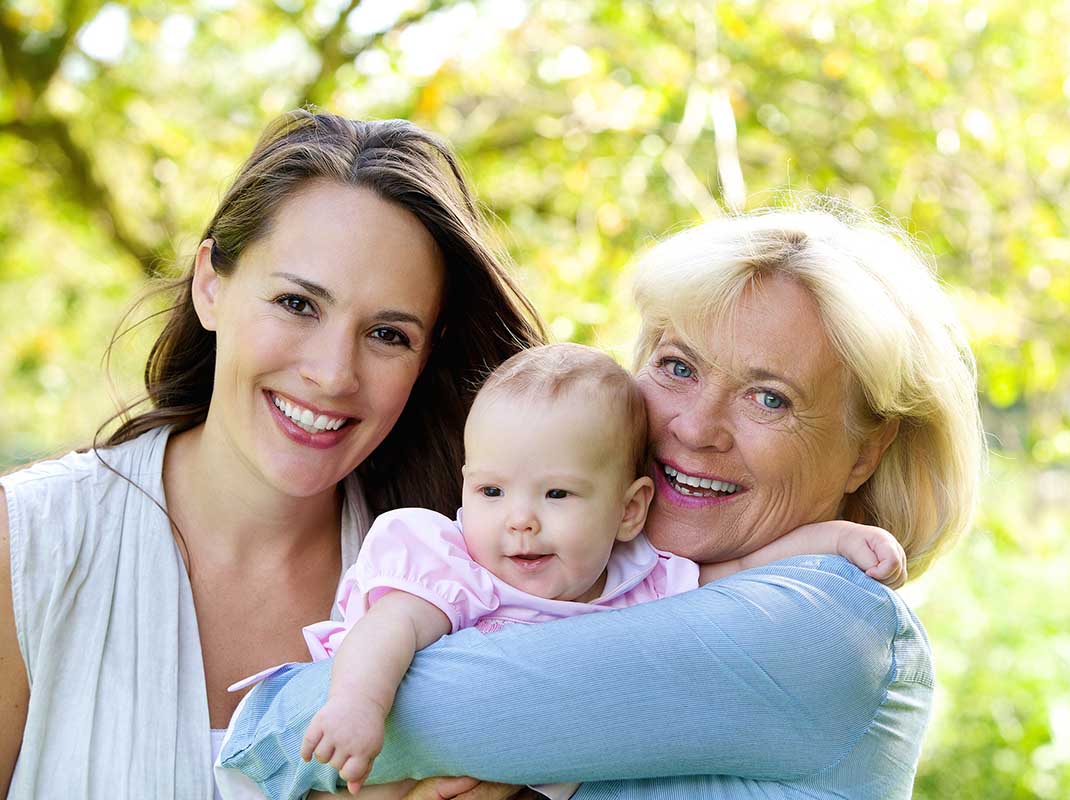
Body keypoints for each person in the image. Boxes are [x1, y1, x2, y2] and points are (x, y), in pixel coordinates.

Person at [215, 200, 986, 799]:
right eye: (678, 366)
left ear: (866, 449)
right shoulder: (637, 577)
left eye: (770, 399)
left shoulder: (823, 623)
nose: (694, 426)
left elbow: (306, 726)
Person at [0, 109, 545, 798]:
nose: (332, 374)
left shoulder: (477, 580)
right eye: (296, 302)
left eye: (387, 334)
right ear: (211, 284)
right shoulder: (27, 544)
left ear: (426, 354)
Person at [216, 343, 906, 799]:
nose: (519, 520)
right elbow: (389, 628)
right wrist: (357, 706)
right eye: (491, 492)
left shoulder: (642, 579)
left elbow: (741, 573)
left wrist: (831, 540)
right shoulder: (457, 565)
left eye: (556, 495)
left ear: (630, 509)